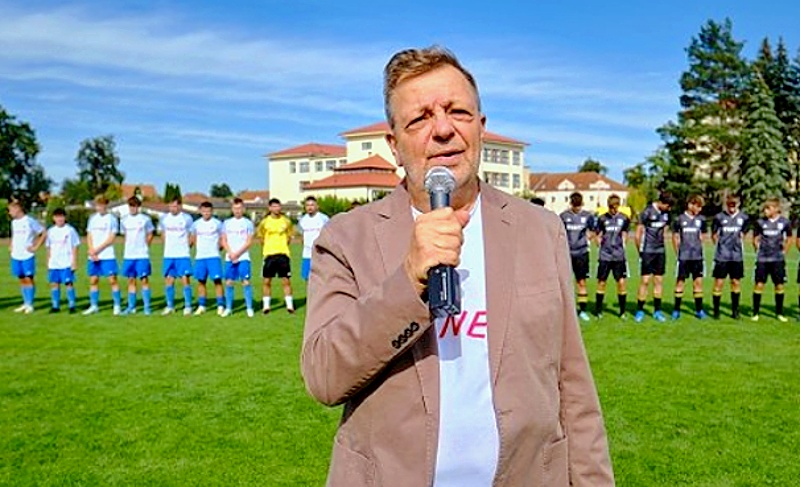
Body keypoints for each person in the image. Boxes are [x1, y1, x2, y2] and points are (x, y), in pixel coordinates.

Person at [301, 46, 613, 486]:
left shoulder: (541, 230)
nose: (444, 129)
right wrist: (408, 280)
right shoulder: (346, 238)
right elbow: (324, 376)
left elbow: (573, 383)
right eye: (420, 118)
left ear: (480, 127)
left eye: (458, 112)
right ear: (394, 145)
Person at [634, 191, 674, 322]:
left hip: (660, 251)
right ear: (661, 202)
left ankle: (657, 311)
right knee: (645, 281)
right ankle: (640, 310)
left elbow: (665, 229)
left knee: (658, 281)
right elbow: (637, 234)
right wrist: (641, 252)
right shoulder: (647, 212)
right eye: (668, 206)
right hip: (647, 251)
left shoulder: (666, 214)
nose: (669, 209)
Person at [751, 198, 791, 322]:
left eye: (768, 208)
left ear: (776, 209)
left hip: (777, 259)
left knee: (779, 285)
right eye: (765, 208)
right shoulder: (760, 222)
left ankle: (779, 313)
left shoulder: (784, 222)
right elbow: (755, 238)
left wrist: (784, 251)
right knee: (759, 284)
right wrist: (758, 249)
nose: (765, 211)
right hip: (763, 259)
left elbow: (789, 238)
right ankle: (755, 313)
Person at [83, 195, 122, 315]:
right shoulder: (92, 219)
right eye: (97, 205)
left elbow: (111, 238)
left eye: (102, 205)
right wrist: (91, 250)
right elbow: (89, 235)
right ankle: (94, 305)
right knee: (93, 280)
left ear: (106, 205)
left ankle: (117, 305)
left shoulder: (112, 219)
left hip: (107, 254)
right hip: (93, 255)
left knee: (112, 280)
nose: (99, 207)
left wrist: (97, 250)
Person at [711, 195, 748, 319]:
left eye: (734, 204)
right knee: (719, 283)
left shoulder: (744, 218)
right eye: (729, 204)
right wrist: (721, 246)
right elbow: (714, 235)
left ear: (738, 204)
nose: (732, 207)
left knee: (735, 282)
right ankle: (716, 311)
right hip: (722, 256)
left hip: (737, 257)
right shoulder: (719, 217)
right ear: (726, 204)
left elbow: (744, 233)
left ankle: (735, 311)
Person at [670, 195, 707, 320]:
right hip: (684, 257)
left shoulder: (701, 220)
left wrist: (699, 248)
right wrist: (678, 253)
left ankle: (699, 310)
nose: (700, 209)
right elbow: (675, 237)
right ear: (690, 204)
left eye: (701, 207)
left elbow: (703, 236)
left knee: (698, 283)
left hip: (697, 257)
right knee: (680, 282)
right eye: (698, 206)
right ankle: (676, 310)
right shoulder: (679, 219)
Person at [256, 198, 295, 314]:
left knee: (286, 281)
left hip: (283, 254)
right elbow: (261, 237)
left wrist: (283, 246)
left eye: (278, 206)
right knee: (267, 281)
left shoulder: (286, 221)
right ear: (269, 208)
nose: (276, 208)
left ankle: (290, 306)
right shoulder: (264, 222)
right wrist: (268, 247)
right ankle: (266, 306)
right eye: (273, 206)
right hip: (269, 255)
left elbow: (289, 236)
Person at [559, 192, 594, 321]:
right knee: (565, 283)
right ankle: (566, 310)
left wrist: (588, 238)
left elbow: (592, 231)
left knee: (581, 282)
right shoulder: (563, 216)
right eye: (575, 205)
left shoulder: (588, 216)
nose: (577, 208)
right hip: (566, 254)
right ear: (571, 204)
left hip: (582, 253)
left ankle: (583, 311)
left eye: (579, 206)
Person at [594, 194, 630, 318]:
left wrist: (622, 246)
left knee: (621, 282)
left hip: (619, 256)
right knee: (601, 282)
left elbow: (625, 234)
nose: (613, 210)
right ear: (608, 206)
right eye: (611, 207)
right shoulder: (602, 218)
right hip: (605, 256)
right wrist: (600, 246)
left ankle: (622, 312)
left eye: (615, 207)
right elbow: (597, 235)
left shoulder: (624, 218)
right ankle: (598, 311)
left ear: (618, 206)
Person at [8, 200, 46, 314]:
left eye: (11, 210)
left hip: (27, 255)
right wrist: (11, 244)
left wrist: (36, 246)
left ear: (18, 209)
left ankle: (30, 304)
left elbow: (43, 232)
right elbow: (14, 235)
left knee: (29, 278)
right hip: (16, 254)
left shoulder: (29, 221)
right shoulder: (14, 222)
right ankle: (25, 302)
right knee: (21, 278)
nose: (9, 212)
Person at [159, 196, 194, 316]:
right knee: (169, 279)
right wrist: (168, 246)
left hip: (183, 255)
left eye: (174, 206)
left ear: (180, 206)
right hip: (169, 255)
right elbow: (163, 234)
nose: (172, 208)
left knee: (185, 279)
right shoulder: (164, 218)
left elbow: (192, 235)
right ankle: (170, 306)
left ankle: (188, 306)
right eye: (170, 206)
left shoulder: (187, 218)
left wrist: (186, 247)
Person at [220, 197, 255, 317]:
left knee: (245, 281)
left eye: (240, 208)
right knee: (229, 282)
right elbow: (224, 241)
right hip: (230, 257)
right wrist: (231, 253)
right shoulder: (226, 223)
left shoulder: (248, 223)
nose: (237, 211)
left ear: (243, 209)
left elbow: (249, 242)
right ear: (232, 209)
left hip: (243, 257)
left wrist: (237, 254)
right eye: (235, 208)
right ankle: (229, 308)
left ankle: (249, 308)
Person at [120, 196, 154, 315]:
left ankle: (147, 307)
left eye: (135, 206)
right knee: (131, 280)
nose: (132, 208)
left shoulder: (145, 219)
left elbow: (150, 233)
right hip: (129, 255)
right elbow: (124, 235)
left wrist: (145, 246)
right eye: (130, 206)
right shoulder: (124, 220)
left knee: (144, 280)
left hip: (142, 255)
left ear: (138, 207)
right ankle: (131, 307)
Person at [190, 201, 225, 316]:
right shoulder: (196, 224)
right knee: (201, 281)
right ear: (200, 211)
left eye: (208, 211)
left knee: (217, 281)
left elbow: (222, 238)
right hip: (200, 257)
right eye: (204, 211)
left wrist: (219, 248)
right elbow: (193, 238)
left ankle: (220, 305)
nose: (206, 213)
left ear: (212, 211)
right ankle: (202, 306)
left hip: (213, 257)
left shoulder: (218, 223)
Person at [46, 208, 80, 313]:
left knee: (68, 283)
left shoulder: (70, 230)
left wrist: (74, 261)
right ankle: (55, 306)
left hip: (66, 262)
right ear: (53, 218)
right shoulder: (50, 231)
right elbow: (48, 247)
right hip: (54, 262)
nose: (59, 219)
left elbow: (75, 246)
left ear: (65, 218)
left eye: (61, 217)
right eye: (57, 217)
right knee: (54, 283)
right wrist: (48, 261)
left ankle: (72, 305)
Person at [298, 196, 330, 281]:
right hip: (307, 254)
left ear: (317, 206)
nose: (310, 207)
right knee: (307, 278)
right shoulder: (302, 220)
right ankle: (309, 291)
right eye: (307, 205)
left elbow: (329, 234)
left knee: (322, 277)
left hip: (320, 254)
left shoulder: (324, 218)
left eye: (312, 205)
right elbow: (302, 236)